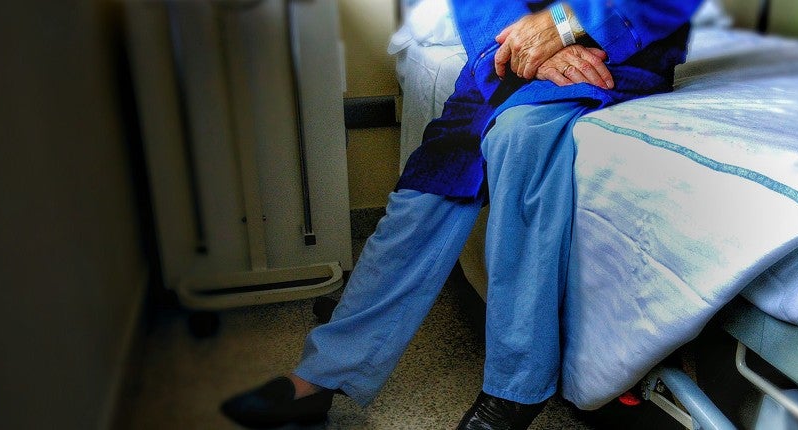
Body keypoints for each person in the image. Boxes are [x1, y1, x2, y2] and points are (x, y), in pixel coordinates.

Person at [220, 1, 702, 428]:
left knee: (523, 138)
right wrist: (524, 39)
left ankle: (514, 389)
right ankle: (323, 372)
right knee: (430, 182)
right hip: (506, 52)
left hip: (611, 53)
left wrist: (568, 22)